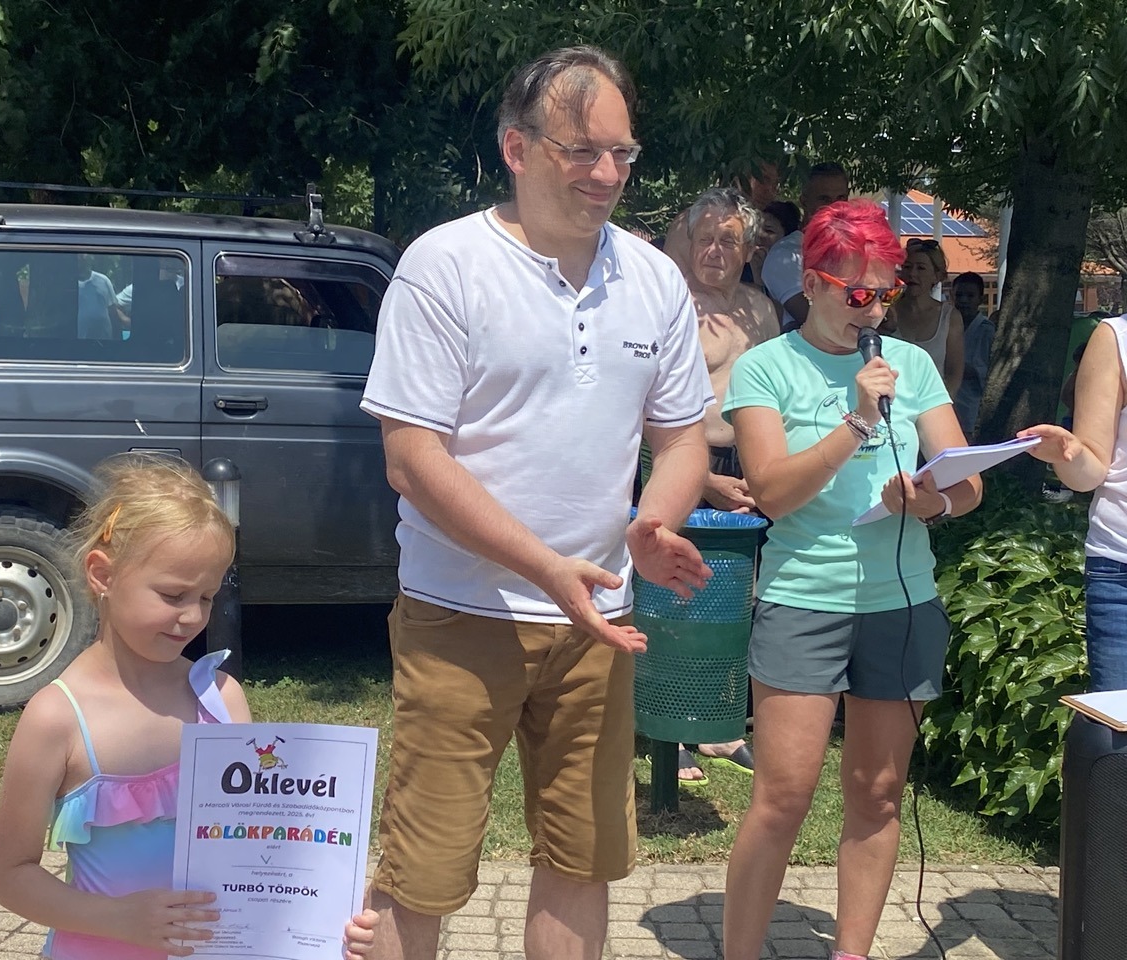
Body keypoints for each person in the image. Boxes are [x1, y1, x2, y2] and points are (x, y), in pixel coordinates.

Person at [359, 45, 714, 960]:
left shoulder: (654, 278)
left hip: (597, 623)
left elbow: (682, 441)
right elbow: (412, 459)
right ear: (516, 148)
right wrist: (546, 568)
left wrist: (653, 522)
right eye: (582, 150)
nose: (608, 174)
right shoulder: (446, 265)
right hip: (459, 614)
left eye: (623, 153)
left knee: (582, 861)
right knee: (421, 870)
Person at [721, 199, 982, 960]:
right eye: (859, 293)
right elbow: (771, 492)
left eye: (886, 293)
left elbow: (966, 484)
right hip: (805, 597)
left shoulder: (914, 366)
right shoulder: (766, 367)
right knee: (783, 797)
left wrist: (930, 501)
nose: (874, 310)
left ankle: (851, 952)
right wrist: (858, 422)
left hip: (901, 600)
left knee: (877, 793)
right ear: (812, 283)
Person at [0, 455, 379, 959]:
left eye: (207, 596)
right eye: (173, 595)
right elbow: (11, 875)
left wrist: (325, 915)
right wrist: (120, 919)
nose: (193, 616)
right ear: (103, 574)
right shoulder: (57, 717)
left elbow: (260, 842)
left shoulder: (220, 698)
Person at [667, 186, 779, 783]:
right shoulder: (670, 304)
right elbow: (644, 405)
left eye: (728, 240)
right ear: (688, 242)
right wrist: (704, 478)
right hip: (685, 459)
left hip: (750, 463)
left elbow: (780, 392)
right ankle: (674, 728)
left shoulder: (761, 311)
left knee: (736, 599)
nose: (714, 250)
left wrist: (767, 468)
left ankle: (717, 723)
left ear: (748, 249)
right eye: (704, 237)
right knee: (678, 592)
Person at [1021, 318, 1127, 691]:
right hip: (1121, 569)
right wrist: (1069, 454)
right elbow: (1088, 474)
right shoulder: (1116, 338)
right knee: (1119, 726)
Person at [761, 162, 850, 330]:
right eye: (824, 199)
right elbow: (816, 322)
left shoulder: (851, 252)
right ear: (804, 201)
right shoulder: (785, 255)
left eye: (841, 198)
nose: (834, 208)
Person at [891, 239, 965, 397]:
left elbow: (954, 373)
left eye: (921, 268)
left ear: (937, 276)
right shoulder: (886, 311)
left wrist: (942, 404)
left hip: (933, 403)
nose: (912, 274)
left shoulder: (949, 317)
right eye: (907, 267)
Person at [951, 271, 994, 436]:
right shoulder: (945, 326)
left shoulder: (987, 331)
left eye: (970, 296)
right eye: (959, 295)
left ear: (980, 299)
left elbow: (991, 372)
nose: (963, 300)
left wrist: (967, 369)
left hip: (972, 407)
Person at [748, 200, 801, 293]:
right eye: (756, 228)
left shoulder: (791, 273)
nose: (759, 235)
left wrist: (759, 275)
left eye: (769, 231)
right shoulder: (738, 264)